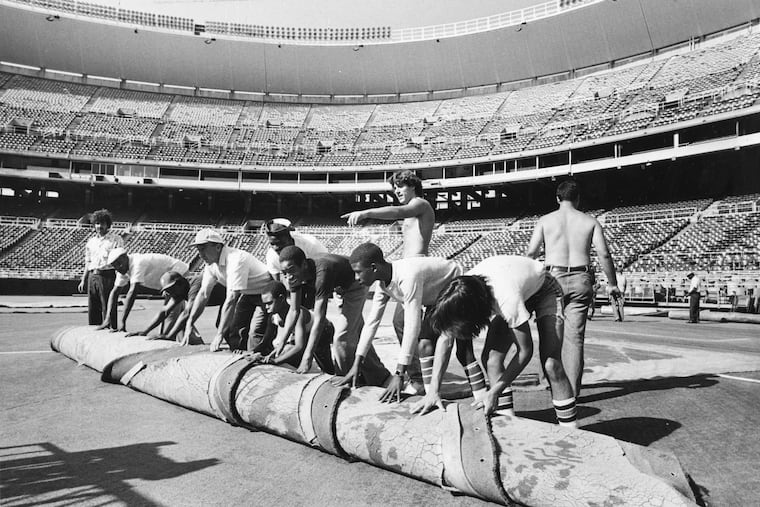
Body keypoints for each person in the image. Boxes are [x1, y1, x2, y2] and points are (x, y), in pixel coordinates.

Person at [410, 255, 578, 429]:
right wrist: (433, 391)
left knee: (552, 364)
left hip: (545, 289)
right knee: (491, 360)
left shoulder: (506, 300)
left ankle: (572, 431)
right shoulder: (463, 291)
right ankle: (507, 424)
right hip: (513, 287)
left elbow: (525, 352)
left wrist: (494, 391)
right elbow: (446, 340)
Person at [526, 179, 620, 397]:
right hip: (580, 277)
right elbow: (604, 254)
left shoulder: (545, 221)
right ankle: (573, 393)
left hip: (553, 278)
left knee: (551, 336)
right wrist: (612, 284)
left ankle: (555, 388)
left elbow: (531, 253)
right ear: (578, 199)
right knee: (574, 339)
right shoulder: (590, 222)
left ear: (557, 198)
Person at [336, 243, 463, 402]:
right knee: (410, 331)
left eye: (358, 272)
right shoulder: (382, 282)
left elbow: (412, 326)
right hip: (433, 293)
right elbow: (372, 323)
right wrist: (356, 364)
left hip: (454, 286)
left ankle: (430, 389)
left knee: (433, 343)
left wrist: (398, 374)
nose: (356, 278)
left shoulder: (408, 277)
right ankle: (424, 386)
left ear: (374, 268)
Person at [278, 245, 389, 384]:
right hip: (339, 287)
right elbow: (294, 311)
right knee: (356, 334)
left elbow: (319, 319)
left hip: (356, 285)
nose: (289, 277)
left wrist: (307, 357)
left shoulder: (322, 272)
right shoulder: (293, 275)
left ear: (304, 265)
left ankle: (345, 380)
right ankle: (380, 376)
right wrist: (280, 344)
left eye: (291, 271)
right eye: (284, 273)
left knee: (341, 339)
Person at [181, 228, 273, 352]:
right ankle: (240, 357)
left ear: (218, 247)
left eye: (203, 248)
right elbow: (203, 294)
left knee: (256, 333)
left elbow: (231, 299)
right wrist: (189, 324)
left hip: (265, 293)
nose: (200, 254)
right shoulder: (211, 265)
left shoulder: (236, 259)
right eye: (198, 249)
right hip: (247, 292)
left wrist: (218, 336)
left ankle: (262, 362)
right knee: (232, 330)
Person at [257, 217, 327, 352]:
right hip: (296, 279)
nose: (276, 249)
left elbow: (323, 271)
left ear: (289, 238)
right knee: (293, 312)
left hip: (316, 277)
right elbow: (281, 287)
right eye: (272, 244)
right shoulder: (271, 256)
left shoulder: (310, 244)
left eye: (280, 243)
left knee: (310, 317)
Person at [341, 170, 435, 258]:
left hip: (417, 262)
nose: (397, 191)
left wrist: (366, 213)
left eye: (401, 186)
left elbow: (398, 212)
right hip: (408, 262)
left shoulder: (420, 203)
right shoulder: (414, 208)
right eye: (395, 188)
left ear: (412, 186)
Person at [98, 248, 189, 332]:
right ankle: (192, 341)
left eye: (119, 263)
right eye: (115, 266)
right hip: (168, 280)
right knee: (177, 314)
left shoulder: (138, 262)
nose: (118, 267)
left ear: (125, 257)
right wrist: (107, 319)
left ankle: (167, 340)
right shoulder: (121, 269)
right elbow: (114, 292)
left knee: (170, 313)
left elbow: (132, 292)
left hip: (178, 272)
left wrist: (122, 323)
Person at [252, 281, 334, 372]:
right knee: (285, 351)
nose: (266, 307)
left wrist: (275, 361)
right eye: (265, 304)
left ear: (281, 298)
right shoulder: (273, 317)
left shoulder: (298, 314)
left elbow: (299, 346)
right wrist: (252, 352)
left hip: (323, 330)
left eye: (269, 303)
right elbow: (265, 342)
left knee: (325, 364)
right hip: (303, 333)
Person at [125, 270, 203, 344]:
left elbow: (187, 313)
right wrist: (145, 331)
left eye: (171, 289)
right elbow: (165, 311)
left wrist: (169, 336)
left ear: (179, 283)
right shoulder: (180, 289)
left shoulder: (194, 285)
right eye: (167, 290)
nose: (169, 293)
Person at [78, 209, 124, 328]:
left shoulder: (116, 239)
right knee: (93, 307)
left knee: (107, 306)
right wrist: (83, 279)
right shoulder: (91, 241)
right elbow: (88, 262)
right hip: (93, 275)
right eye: (97, 223)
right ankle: (94, 332)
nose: (99, 226)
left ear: (108, 224)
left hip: (107, 275)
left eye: (102, 223)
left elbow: (120, 260)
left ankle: (111, 331)